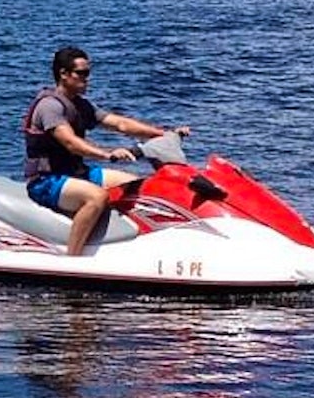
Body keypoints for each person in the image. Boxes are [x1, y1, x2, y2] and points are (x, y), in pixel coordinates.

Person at [22, 46, 190, 256]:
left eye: (88, 73)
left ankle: (125, 244)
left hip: (76, 173)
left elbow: (120, 124)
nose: (87, 79)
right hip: (46, 180)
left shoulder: (80, 105)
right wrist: (107, 154)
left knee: (137, 185)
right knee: (97, 197)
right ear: (63, 74)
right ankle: (72, 259)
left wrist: (163, 133)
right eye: (82, 73)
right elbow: (71, 142)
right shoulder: (50, 107)